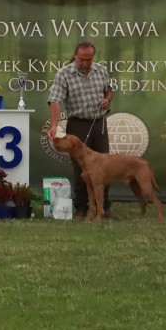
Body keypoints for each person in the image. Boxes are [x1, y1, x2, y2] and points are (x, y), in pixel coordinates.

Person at [47, 41, 115, 218]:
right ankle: (82, 207)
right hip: (77, 125)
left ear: (93, 57)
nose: (85, 63)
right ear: (75, 56)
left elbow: (109, 90)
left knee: (103, 167)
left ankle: (104, 207)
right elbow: (55, 100)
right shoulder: (64, 74)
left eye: (89, 60)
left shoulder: (101, 70)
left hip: (99, 124)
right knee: (81, 169)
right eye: (81, 60)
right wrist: (54, 125)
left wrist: (107, 99)